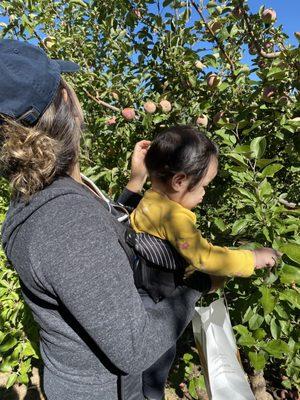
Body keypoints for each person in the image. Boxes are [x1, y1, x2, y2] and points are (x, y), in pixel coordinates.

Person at [0, 39, 213, 400]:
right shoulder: (66, 224)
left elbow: (101, 240)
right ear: (67, 104)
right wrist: (198, 286)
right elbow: (136, 347)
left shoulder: (42, 195)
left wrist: (134, 186)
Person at [128, 125, 281, 399]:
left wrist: (138, 176)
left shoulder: (149, 201)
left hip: (140, 295)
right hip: (156, 304)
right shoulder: (174, 217)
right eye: (203, 186)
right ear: (179, 181)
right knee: (155, 366)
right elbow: (205, 257)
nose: (204, 193)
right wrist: (252, 258)